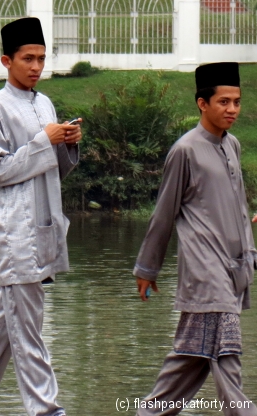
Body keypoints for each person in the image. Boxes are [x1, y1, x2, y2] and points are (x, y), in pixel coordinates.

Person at [0, 17, 81, 416]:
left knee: (4, 327)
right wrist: (45, 141)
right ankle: (47, 409)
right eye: (28, 58)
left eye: (41, 58)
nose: (36, 66)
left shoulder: (44, 103)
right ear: (7, 60)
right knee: (28, 330)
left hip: (44, 225)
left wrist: (67, 144)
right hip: (17, 232)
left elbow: (52, 167)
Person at [134, 62, 257, 416]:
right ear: (202, 104)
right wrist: (147, 268)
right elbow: (164, 214)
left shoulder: (232, 145)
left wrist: (250, 256)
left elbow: (238, 206)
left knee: (192, 359)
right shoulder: (185, 151)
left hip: (233, 270)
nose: (232, 109)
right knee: (228, 357)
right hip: (205, 273)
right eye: (223, 102)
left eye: (236, 101)